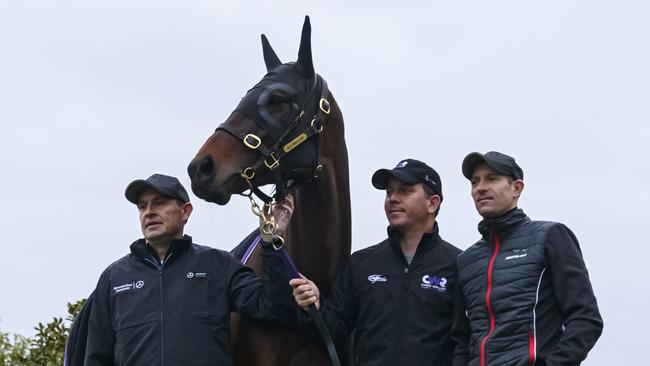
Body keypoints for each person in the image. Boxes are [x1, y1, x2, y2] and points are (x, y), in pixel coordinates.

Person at [83, 173, 295, 366]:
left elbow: (274, 306)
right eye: (142, 206)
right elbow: (96, 356)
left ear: (185, 211)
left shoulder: (219, 265)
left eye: (159, 203)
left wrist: (270, 243)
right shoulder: (114, 277)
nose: (149, 212)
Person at [291, 159, 469, 366]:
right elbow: (334, 330)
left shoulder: (459, 264)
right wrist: (314, 306)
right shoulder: (362, 263)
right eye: (389, 192)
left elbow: (465, 342)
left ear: (433, 203)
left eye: (405, 191)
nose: (393, 198)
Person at [457, 151, 603, 366]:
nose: (480, 188)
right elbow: (461, 340)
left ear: (517, 188)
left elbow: (586, 319)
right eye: (474, 182)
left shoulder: (551, 236)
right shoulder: (466, 260)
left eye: (492, 179)